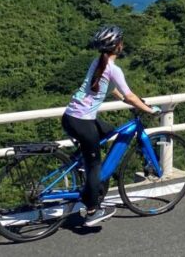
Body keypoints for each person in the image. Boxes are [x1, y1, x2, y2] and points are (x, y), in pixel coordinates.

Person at [61, 25, 160, 226]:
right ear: (117, 46)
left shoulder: (97, 62)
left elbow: (112, 90)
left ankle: (83, 166)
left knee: (108, 132)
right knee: (95, 164)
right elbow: (130, 94)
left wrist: (128, 100)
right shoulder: (114, 69)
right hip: (82, 121)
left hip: (71, 117)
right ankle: (91, 210)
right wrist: (148, 110)